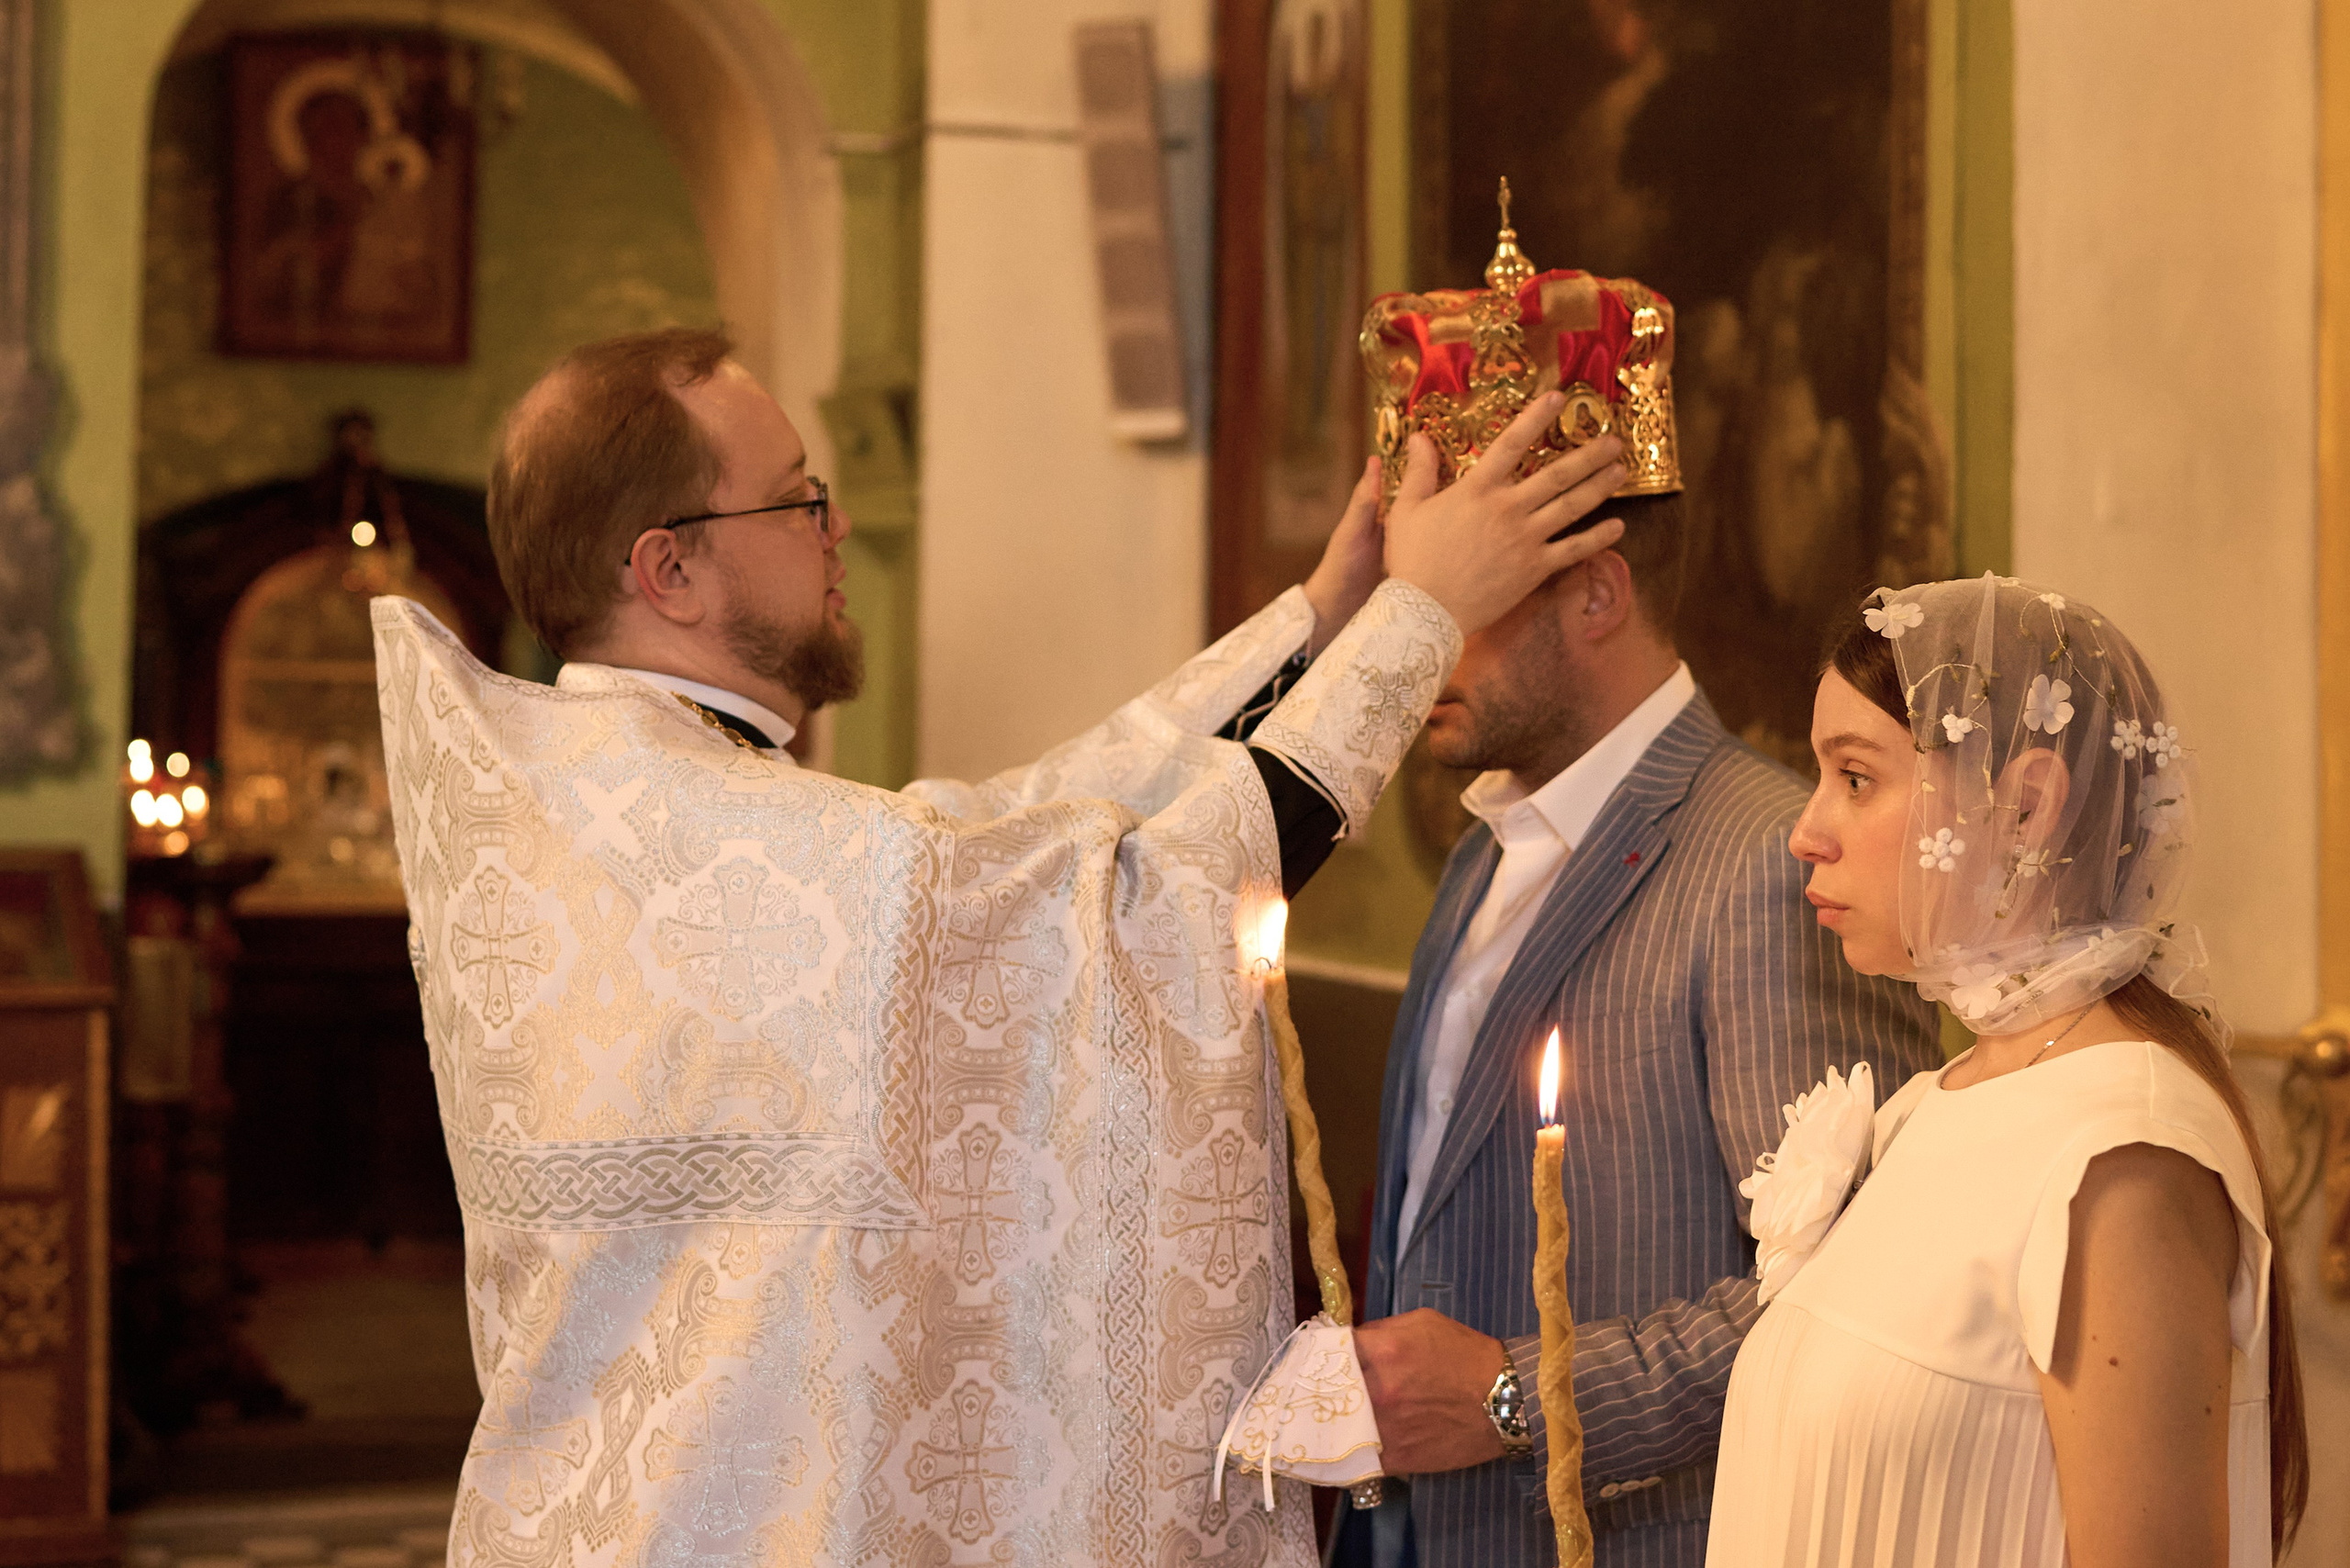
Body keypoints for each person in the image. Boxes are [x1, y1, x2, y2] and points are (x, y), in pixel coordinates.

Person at [374, 327, 1631, 1568]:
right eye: (799, 497)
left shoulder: (610, 814)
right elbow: (1135, 899)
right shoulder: (735, 842)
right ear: (672, 571)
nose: (837, 528)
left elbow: (1018, 837)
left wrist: (1322, 619)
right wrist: (1422, 620)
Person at [1337, 244, 1942, 1568]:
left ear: (1597, 593)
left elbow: (1851, 1298)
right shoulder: (1485, 835)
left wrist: (1514, 1393)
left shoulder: (1771, 868)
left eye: (1456, 601)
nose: (1411, 642)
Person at [1707, 574, 2310, 1564]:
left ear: (2026, 805)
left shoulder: (2123, 1152)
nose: (1804, 831)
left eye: (1854, 778)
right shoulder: (1926, 1107)